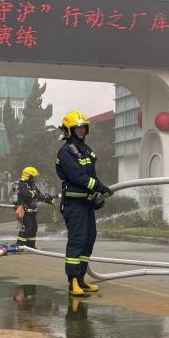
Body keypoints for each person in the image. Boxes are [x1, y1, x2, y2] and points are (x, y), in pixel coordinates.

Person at [56, 110, 113, 296]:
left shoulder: (85, 150)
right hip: (74, 204)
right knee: (77, 241)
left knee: (89, 239)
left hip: (86, 204)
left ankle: (81, 278)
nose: (81, 130)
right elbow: (78, 177)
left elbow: (91, 175)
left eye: (83, 127)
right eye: (77, 128)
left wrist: (97, 197)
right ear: (69, 130)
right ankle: (72, 281)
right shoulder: (65, 152)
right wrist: (99, 187)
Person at [15, 166, 54, 249]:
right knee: (27, 228)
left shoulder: (32, 184)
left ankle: (31, 246)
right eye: (32, 176)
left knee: (34, 228)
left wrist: (47, 199)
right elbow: (26, 194)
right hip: (25, 211)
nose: (33, 178)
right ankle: (20, 246)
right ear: (28, 175)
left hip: (32, 211)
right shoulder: (22, 184)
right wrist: (36, 195)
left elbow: (38, 194)